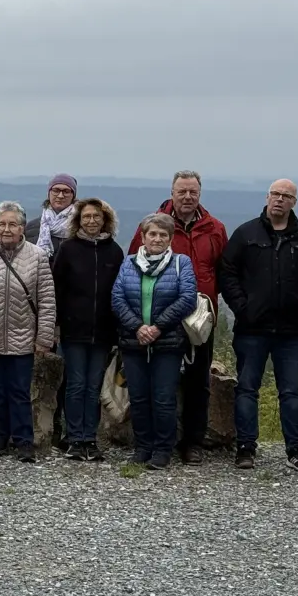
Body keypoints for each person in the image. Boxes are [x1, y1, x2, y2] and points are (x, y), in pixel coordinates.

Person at [218, 179, 298, 471]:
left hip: (292, 331)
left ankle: (296, 451)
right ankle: (246, 447)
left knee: (291, 391)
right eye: (275, 194)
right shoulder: (246, 233)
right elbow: (227, 272)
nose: (280, 200)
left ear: (294, 202)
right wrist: (242, 308)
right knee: (247, 388)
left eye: (286, 196)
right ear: (267, 197)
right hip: (252, 328)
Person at [129, 170, 228, 464]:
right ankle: (157, 441)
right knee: (157, 384)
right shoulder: (153, 225)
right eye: (182, 191)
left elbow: (224, 270)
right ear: (172, 193)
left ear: (200, 194)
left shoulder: (214, 228)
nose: (187, 197)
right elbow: (133, 265)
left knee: (199, 382)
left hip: (199, 321)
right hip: (158, 321)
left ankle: (192, 443)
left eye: (193, 192)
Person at [0, 201, 57, 462]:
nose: (7, 229)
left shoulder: (38, 256)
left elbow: (47, 300)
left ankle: (24, 442)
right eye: (2, 224)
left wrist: (43, 337)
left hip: (23, 337)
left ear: (22, 228)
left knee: (19, 391)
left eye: (13, 224)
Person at [111, 213, 197, 468]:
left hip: (168, 343)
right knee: (138, 397)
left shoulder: (182, 263)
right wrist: (138, 327)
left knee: (163, 398)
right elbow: (117, 298)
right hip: (133, 342)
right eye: (152, 234)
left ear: (170, 238)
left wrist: (157, 327)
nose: (157, 238)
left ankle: (162, 449)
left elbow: (187, 298)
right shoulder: (128, 263)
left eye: (162, 234)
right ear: (143, 237)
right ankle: (142, 446)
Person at [50, 198, 123, 461]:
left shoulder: (114, 252)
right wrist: (56, 325)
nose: (91, 221)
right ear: (78, 221)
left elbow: (119, 293)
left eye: (96, 216)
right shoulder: (68, 249)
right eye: (86, 217)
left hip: (103, 331)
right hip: (73, 329)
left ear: (106, 220)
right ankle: (74, 437)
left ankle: (89, 438)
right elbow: (56, 289)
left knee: (94, 387)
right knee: (75, 384)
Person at [31, 174, 78, 258]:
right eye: (56, 190)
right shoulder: (31, 227)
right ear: (49, 193)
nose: (60, 196)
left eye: (66, 191)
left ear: (73, 196)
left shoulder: (81, 226)